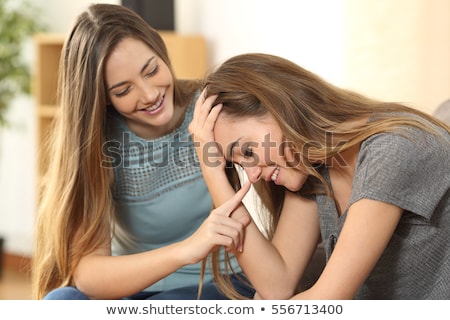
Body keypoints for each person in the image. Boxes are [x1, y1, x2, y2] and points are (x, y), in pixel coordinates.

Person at [31, 3, 255, 300]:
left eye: (152, 70)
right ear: (102, 98)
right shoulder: (100, 142)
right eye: (124, 90)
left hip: (222, 283)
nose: (150, 95)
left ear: (161, 52)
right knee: (60, 302)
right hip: (136, 290)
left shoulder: (209, 110)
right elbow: (88, 275)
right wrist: (185, 251)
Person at [189, 53, 450, 299]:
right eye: (239, 164)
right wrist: (212, 171)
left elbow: (327, 300)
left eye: (247, 150)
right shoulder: (315, 168)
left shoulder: (391, 150)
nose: (253, 175)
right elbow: (276, 285)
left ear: (280, 106)